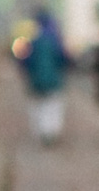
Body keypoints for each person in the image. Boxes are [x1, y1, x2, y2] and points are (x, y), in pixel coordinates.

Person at [17, 10, 69, 146]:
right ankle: (51, 132)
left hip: (36, 81)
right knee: (53, 106)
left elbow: (25, 61)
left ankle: (44, 132)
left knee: (40, 107)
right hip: (54, 80)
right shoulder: (55, 41)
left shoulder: (33, 42)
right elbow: (63, 59)